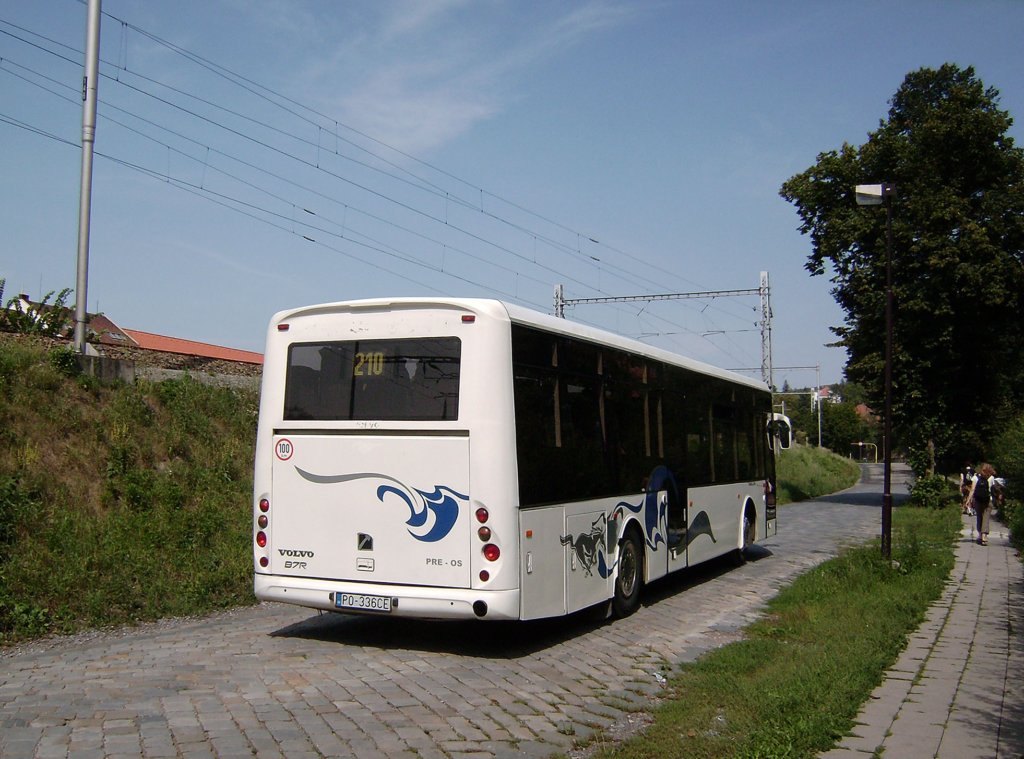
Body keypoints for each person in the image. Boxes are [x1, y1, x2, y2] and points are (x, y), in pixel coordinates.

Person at [969, 463, 996, 546]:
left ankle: (980, 535)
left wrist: (968, 500)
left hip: (978, 500)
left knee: (979, 517)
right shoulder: (991, 478)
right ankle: (984, 536)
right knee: (986, 518)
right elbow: (993, 490)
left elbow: (972, 489)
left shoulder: (975, 477)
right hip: (988, 500)